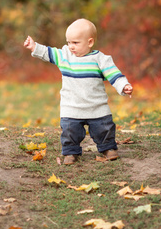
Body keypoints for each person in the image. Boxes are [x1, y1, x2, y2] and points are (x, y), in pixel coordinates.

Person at [23, 18, 133, 165]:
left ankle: (108, 148)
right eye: (69, 42)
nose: (71, 46)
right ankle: (70, 152)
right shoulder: (65, 56)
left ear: (90, 42)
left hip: (96, 107)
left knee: (104, 129)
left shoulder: (100, 59)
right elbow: (48, 52)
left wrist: (123, 86)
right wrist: (34, 46)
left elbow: (114, 74)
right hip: (71, 107)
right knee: (69, 132)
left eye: (75, 43)